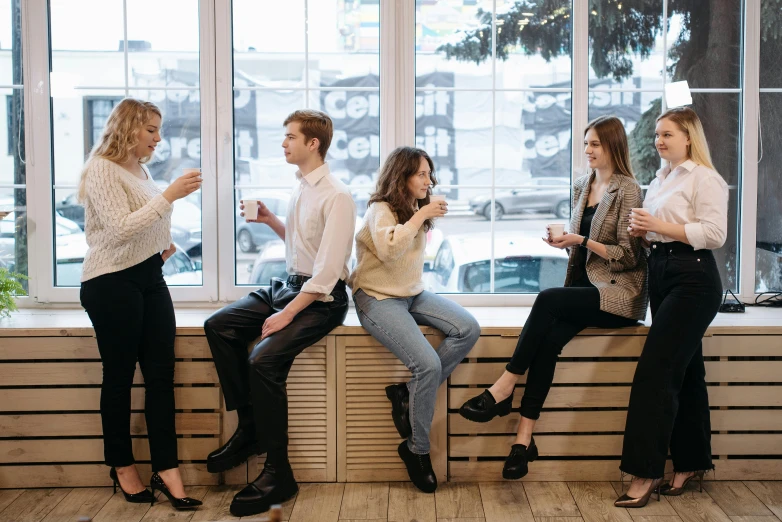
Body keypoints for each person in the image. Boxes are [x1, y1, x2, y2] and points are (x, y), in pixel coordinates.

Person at [459, 116, 648, 480]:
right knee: (546, 344)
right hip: (583, 288)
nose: (588, 150)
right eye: (586, 144)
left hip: (617, 295)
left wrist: (580, 241)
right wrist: (564, 243)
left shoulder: (629, 189)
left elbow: (629, 256)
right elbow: (582, 253)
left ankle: (504, 386)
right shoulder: (582, 185)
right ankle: (522, 442)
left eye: (595, 144)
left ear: (613, 146)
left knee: (546, 299)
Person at [203, 109, 356, 517]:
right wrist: (271, 220)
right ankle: (250, 428)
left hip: (321, 299)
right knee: (218, 326)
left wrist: (288, 315)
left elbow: (326, 271)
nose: (284, 143)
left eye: (290, 137)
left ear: (313, 144)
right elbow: (304, 249)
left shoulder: (337, 195)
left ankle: (278, 473)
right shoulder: (302, 187)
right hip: (288, 285)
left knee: (262, 359)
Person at [78, 98, 203, 510]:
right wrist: (169, 195)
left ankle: (167, 470)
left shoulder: (142, 170)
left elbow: (142, 227)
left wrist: (160, 251)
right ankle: (122, 465)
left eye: (157, 130)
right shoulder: (101, 169)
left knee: (161, 378)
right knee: (119, 379)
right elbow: (117, 230)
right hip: (110, 283)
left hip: (150, 278)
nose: (158, 138)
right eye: (151, 129)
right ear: (128, 128)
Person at [348, 146, 480, 493]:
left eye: (429, 173)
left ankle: (407, 392)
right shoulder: (381, 209)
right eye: (421, 173)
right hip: (376, 297)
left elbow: (406, 262)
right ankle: (417, 450)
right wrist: (420, 217)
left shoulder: (414, 208)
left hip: (409, 292)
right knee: (428, 366)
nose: (429, 180)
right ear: (401, 176)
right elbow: (390, 250)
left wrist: (420, 214)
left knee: (468, 328)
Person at [616, 106, 727, 508]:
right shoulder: (661, 179)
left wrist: (658, 227)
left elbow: (714, 234)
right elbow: (661, 233)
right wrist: (643, 233)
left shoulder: (706, 178)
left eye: (667, 134)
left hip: (694, 278)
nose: (659, 140)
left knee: (655, 372)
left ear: (688, 138)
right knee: (687, 371)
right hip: (662, 271)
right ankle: (689, 463)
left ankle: (644, 473)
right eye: (657, 135)